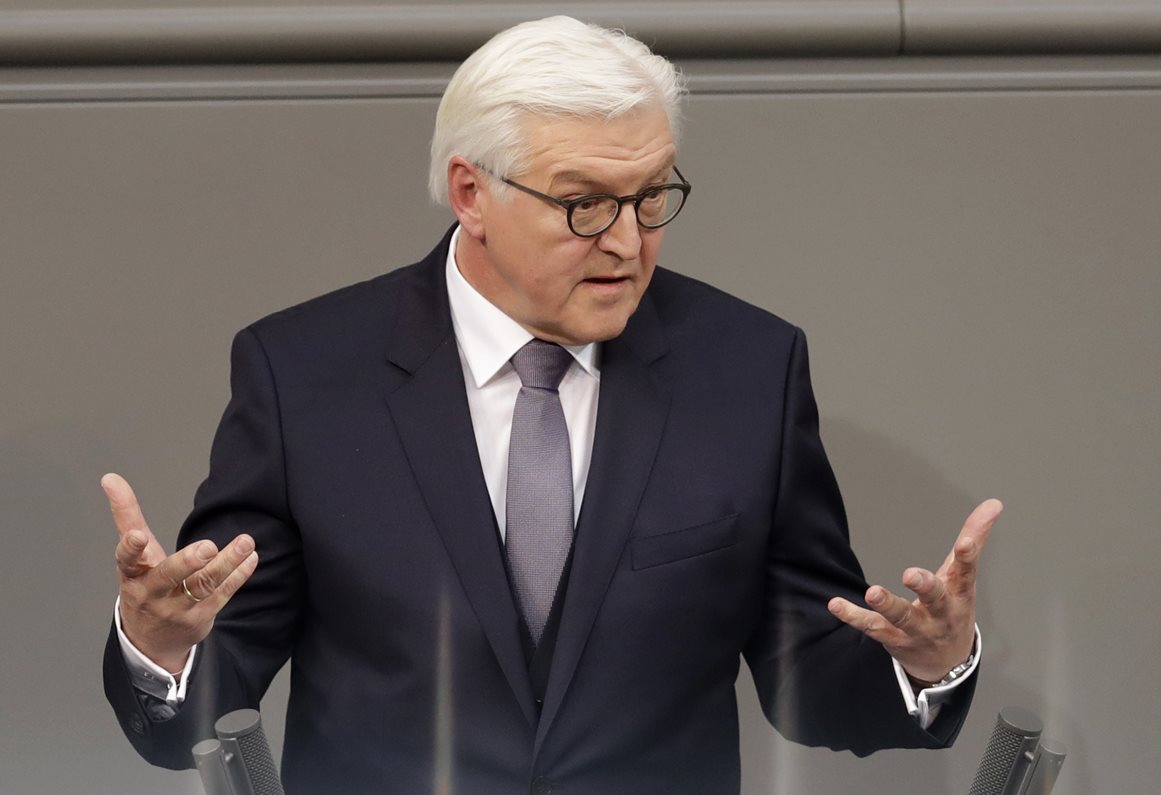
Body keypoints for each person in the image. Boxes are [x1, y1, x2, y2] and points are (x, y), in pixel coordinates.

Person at [102, 16, 999, 795]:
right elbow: (204, 698)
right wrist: (159, 647)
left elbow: (812, 672)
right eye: (585, 204)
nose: (627, 242)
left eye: (652, 197)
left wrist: (927, 666)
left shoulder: (750, 370)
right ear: (471, 193)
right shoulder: (302, 375)